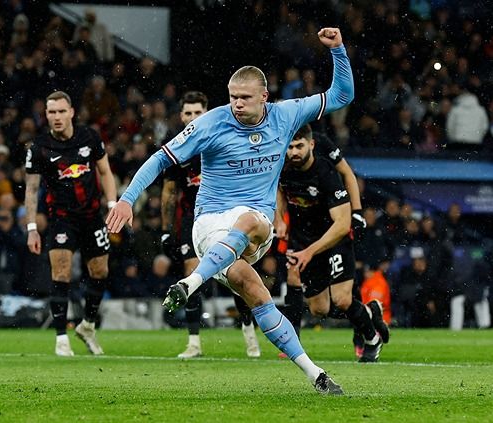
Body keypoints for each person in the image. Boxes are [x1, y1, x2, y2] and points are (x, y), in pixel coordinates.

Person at [107, 28, 352, 394]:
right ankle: (194, 284)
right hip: (209, 226)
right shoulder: (210, 123)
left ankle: (313, 373)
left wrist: (338, 51)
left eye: (244, 98)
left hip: (253, 231)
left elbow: (342, 95)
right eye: (232, 97)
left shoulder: (286, 114)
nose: (237, 104)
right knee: (252, 237)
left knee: (257, 291)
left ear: (264, 97)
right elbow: (160, 159)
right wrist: (127, 198)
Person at [275, 124, 390, 362]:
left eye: (300, 146)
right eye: (291, 147)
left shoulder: (325, 172)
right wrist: (279, 219)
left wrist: (357, 212)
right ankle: (369, 312)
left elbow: (341, 223)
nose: (294, 152)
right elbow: (278, 189)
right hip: (303, 237)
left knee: (342, 298)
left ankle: (371, 339)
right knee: (319, 310)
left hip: (333, 238)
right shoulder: (282, 165)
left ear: (311, 144)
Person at [160, 91, 260, 358]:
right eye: (188, 113)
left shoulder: (222, 141)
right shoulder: (178, 148)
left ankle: (249, 334)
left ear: (207, 113)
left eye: (197, 112)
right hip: (192, 223)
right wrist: (166, 230)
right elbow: (169, 192)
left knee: (235, 275)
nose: (193, 117)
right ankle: (194, 343)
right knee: (192, 275)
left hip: (226, 219)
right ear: (181, 116)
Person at [25, 91, 117, 357]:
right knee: (61, 272)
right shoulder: (39, 148)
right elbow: (31, 191)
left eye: (61, 111)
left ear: (72, 112)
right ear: (46, 115)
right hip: (61, 219)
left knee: (100, 271)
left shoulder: (89, 137)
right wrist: (31, 228)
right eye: (51, 112)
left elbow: (105, 171)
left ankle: (87, 325)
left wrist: (112, 207)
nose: (56, 117)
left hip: (92, 217)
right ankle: (61, 338)